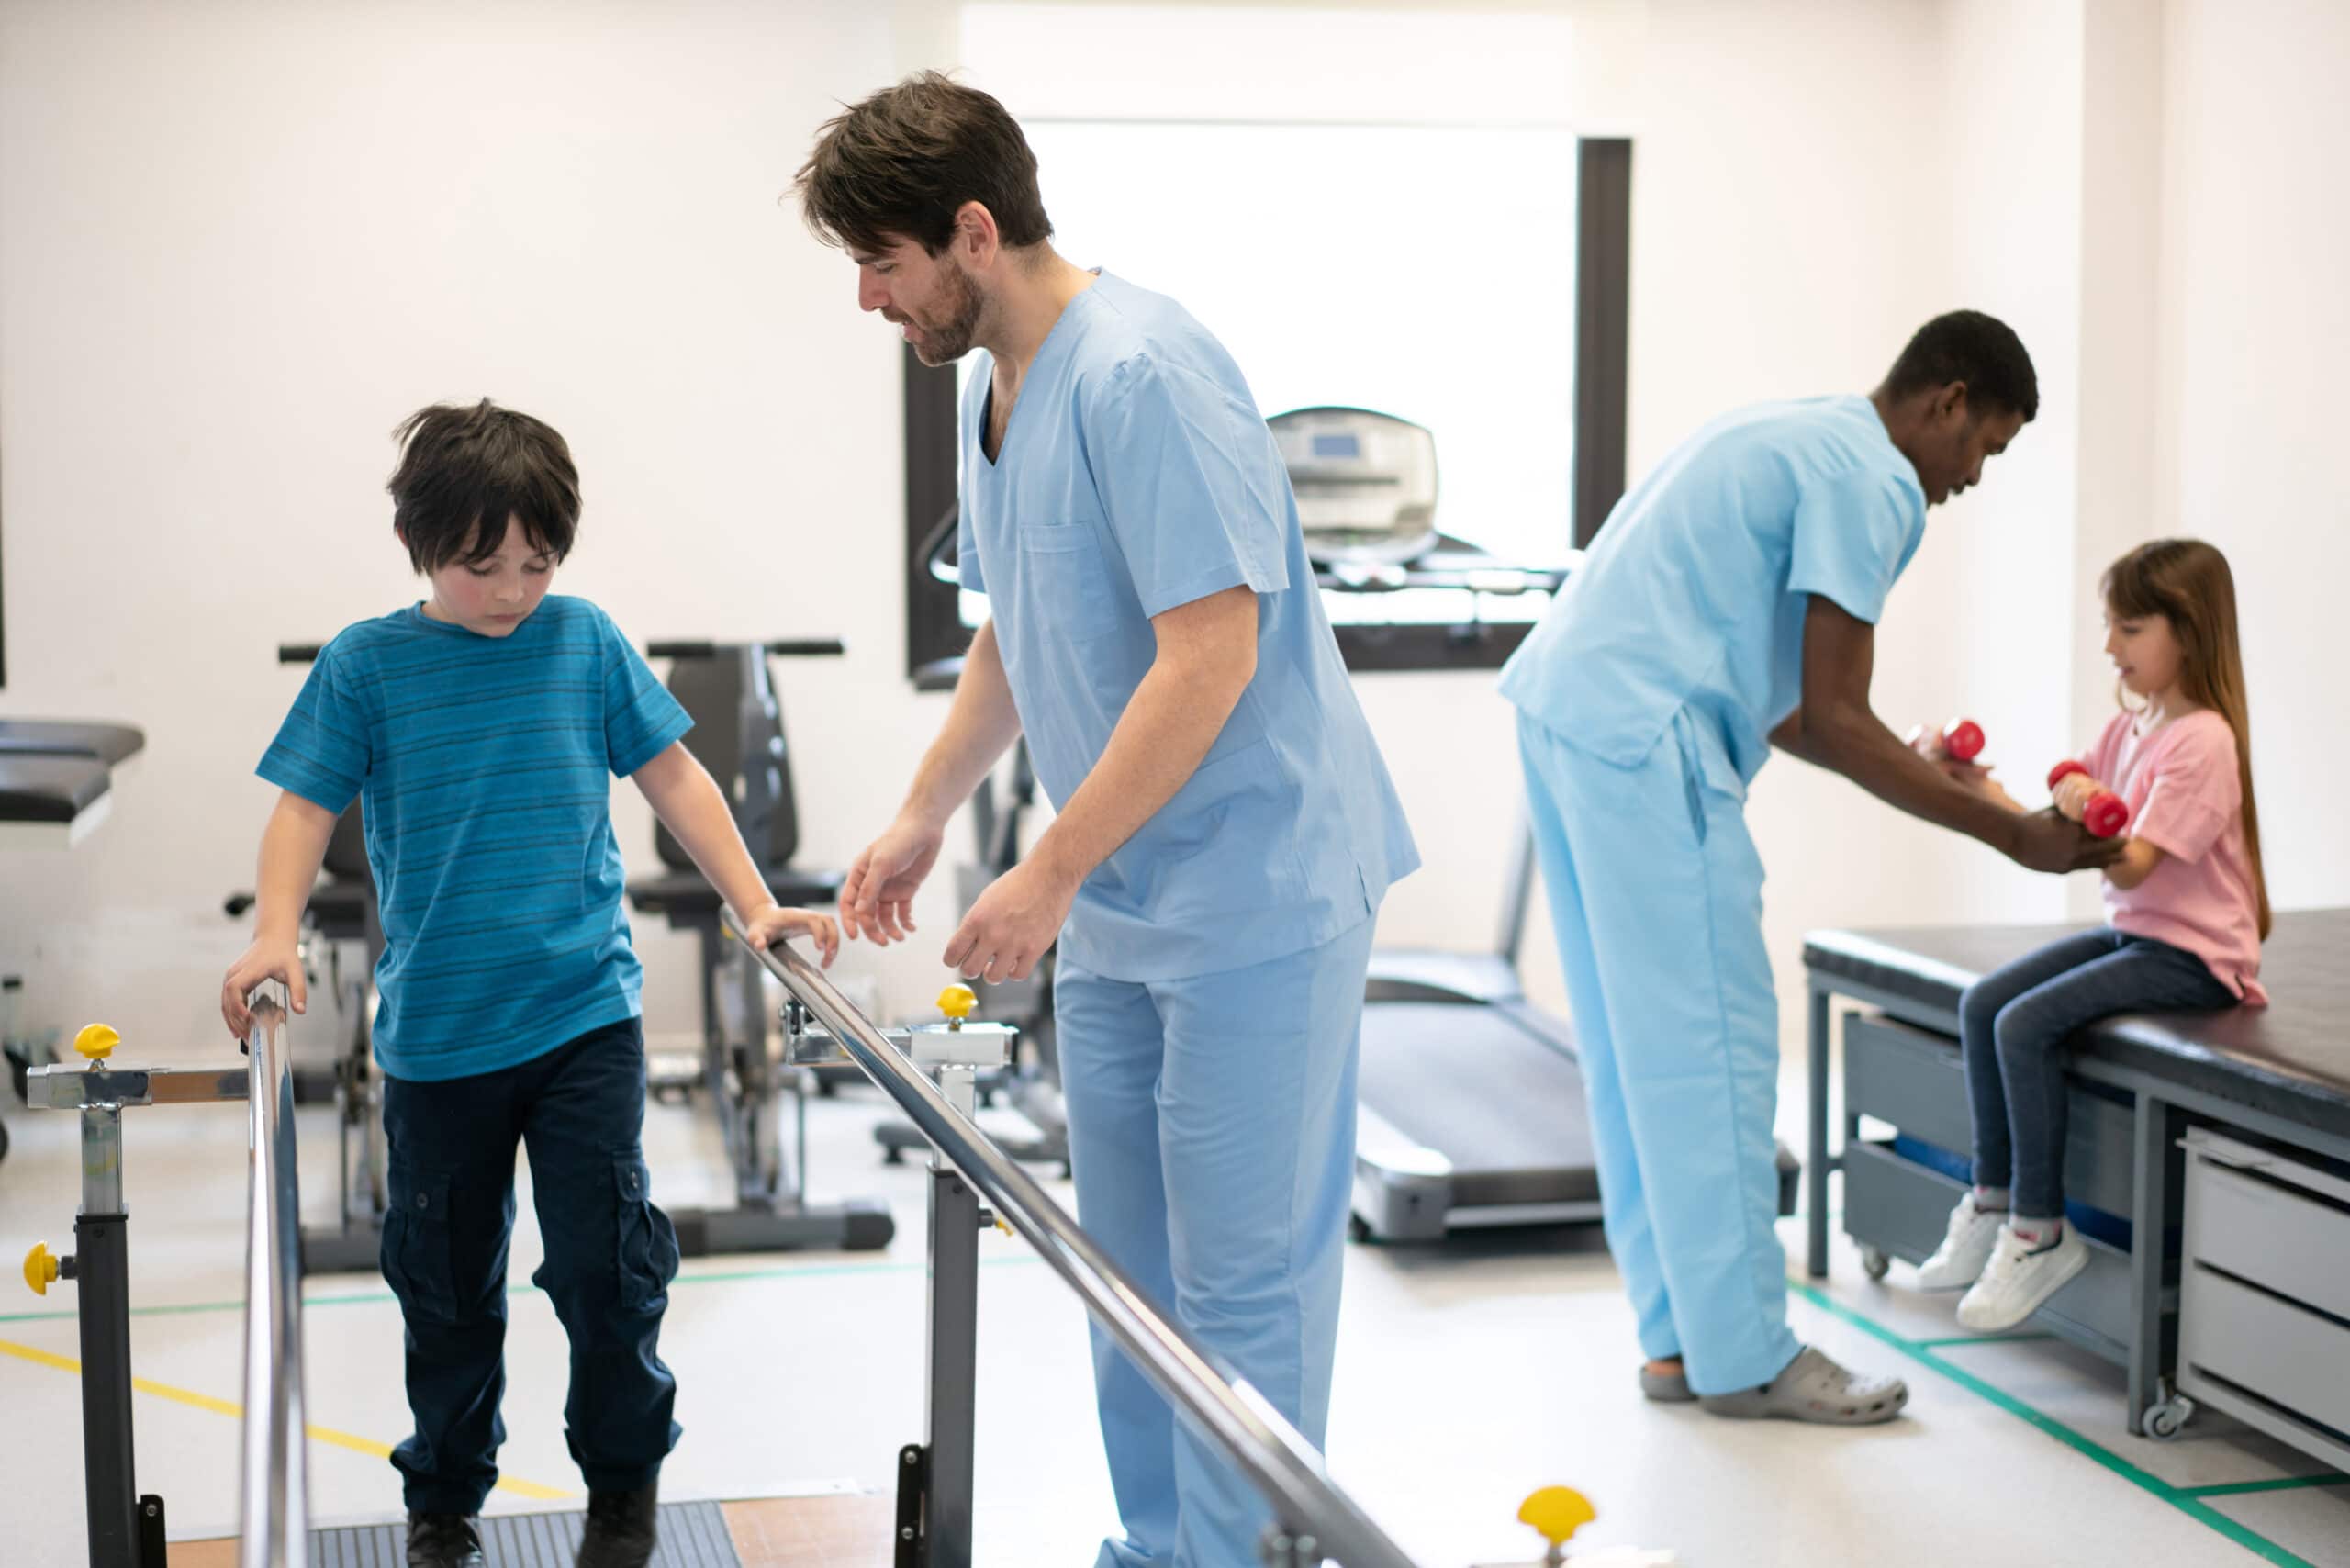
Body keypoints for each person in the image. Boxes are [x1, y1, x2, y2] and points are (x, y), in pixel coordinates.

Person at [794, 73, 1416, 1566]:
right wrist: (923, 814)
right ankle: (1163, 1545)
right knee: (1124, 1269)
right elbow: (1016, 620)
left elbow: (1214, 652)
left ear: (972, 229)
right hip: (1133, 897)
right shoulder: (989, 388)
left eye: (882, 260)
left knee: (1241, 1276)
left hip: (1257, 891)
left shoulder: (1145, 371)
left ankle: (1241, 1555)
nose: (872, 297)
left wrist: (1051, 866)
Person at [218, 399, 839, 1568]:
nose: (512, 589)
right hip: (439, 1040)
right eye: (481, 564)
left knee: (608, 1269)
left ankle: (622, 1493)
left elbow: (675, 774)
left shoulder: (583, 639)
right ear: (419, 544)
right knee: (446, 1294)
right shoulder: (368, 665)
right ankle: (443, 1505)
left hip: (580, 1018)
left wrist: (752, 902)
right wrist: (277, 933)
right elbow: (303, 805)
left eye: (537, 561)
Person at [1499, 311, 2123, 1424]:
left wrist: (1934, 775)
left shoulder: (1802, 432)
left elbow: (1791, 707)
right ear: (1946, 402)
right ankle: (1747, 1357)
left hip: (1566, 712)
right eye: (1983, 445)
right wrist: (2016, 835)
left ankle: (1680, 1343)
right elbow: (1835, 720)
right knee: (1717, 1056)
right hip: (1648, 743)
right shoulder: (1876, 483)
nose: (1972, 477)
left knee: (1635, 1055)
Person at [1917, 538, 2267, 1328]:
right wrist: (1972, 786)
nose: (2110, 646)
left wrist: (2079, 814)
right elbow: (2054, 826)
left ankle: (2040, 1233)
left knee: (2024, 1023)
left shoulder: (2204, 741)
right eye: (2110, 626)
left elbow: (2133, 864)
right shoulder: (2131, 730)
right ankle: (1991, 1199)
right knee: (1983, 1004)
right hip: (2137, 935)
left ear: (2190, 631)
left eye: (2131, 628)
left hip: (2195, 957)